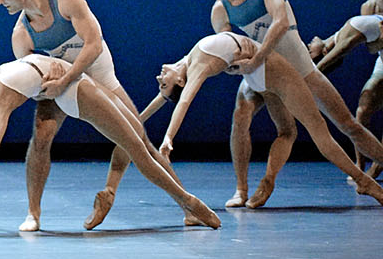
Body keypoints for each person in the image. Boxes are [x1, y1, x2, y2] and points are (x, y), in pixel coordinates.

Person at [192, 0, 383, 201]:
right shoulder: (219, 9)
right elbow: (230, 48)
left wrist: (257, 58)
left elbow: (280, 23)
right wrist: (237, 66)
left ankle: (365, 178)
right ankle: (242, 190)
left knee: (347, 125)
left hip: (296, 63)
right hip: (264, 69)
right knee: (241, 116)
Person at [0, 0, 164, 231]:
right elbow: (32, 89)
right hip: (64, 81)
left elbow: (93, 45)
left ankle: (183, 204)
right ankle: (33, 213)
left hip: (97, 70)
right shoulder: (21, 35)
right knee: (42, 133)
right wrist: (49, 83)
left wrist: (67, 76)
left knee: (137, 136)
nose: (0, 3)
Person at [0, 53, 221, 231]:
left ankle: (185, 202)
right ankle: (188, 201)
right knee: (136, 148)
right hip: (74, 91)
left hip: (71, 79)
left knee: (137, 142)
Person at [137, 31, 383, 204]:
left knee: (298, 131)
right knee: (313, 130)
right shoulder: (197, 66)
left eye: (160, 83)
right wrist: (168, 137)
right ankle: (364, 181)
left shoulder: (187, 62)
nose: (159, 79)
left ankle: (361, 181)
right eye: (163, 84)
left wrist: (136, 120)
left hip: (263, 73)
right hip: (267, 72)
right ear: (180, 81)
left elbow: (166, 99)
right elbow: (183, 100)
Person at [307, 0, 383, 177]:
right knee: (362, 110)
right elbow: (352, 33)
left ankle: (377, 165)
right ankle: (360, 166)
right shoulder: (369, 6)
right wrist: (327, 42)